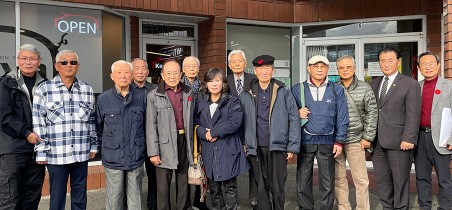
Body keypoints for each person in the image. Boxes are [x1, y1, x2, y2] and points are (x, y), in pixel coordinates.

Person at [33, 49, 98, 210]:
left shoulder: (87, 89)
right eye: (64, 62)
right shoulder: (44, 89)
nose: (69, 65)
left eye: (73, 62)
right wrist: (41, 150)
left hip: (81, 152)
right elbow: (39, 122)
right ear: (57, 66)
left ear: (78, 66)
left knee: (80, 195)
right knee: (57, 197)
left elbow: (91, 120)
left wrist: (94, 145)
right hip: (56, 154)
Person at [292, 55, 349, 210]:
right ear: (308, 68)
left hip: (328, 141)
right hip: (305, 141)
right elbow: (288, 114)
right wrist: (297, 113)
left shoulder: (337, 89)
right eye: (315, 66)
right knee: (303, 181)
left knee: (327, 182)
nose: (319, 69)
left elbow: (342, 116)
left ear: (327, 69)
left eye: (322, 66)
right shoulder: (297, 89)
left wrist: (339, 140)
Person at [246, 55, 300, 210]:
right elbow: (242, 120)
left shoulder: (283, 90)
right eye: (261, 68)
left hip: (278, 145)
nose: (264, 72)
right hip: (256, 146)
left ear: (273, 70)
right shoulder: (247, 92)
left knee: (277, 185)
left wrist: (292, 146)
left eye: (267, 68)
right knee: (261, 185)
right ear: (255, 71)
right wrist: (245, 143)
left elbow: (293, 118)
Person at [370, 47, 421, 209]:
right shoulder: (375, 83)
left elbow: (413, 114)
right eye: (382, 61)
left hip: (400, 142)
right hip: (377, 143)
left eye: (390, 60)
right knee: (382, 182)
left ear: (398, 62)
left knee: (400, 182)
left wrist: (409, 138)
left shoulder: (410, 84)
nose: (386, 64)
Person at [194, 68, 249, 210]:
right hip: (209, 150)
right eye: (210, 81)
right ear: (206, 84)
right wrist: (202, 132)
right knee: (214, 188)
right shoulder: (201, 101)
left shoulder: (232, 101)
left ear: (223, 83)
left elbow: (235, 122)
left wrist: (213, 132)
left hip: (228, 148)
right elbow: (195, 123)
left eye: (217, 80)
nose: (214, 84)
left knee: (229, 188)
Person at [0, 44, 46, 209]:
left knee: (32, 197)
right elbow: (4, 117)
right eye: (24, 58)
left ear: (39, 61)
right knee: (9, 199)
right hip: (13, 150)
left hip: (36, 151)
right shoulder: (6, 83)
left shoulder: (45, 85)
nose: (28, 62)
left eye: (32, 58)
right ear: (18, 60)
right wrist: (26, 133)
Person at [96, 60, 146, 210]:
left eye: (126, 73)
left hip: (135, 155)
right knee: (114, 198)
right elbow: (99, 127)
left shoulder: (141, 97)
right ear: (112, 76)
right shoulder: (103, 99)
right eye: (119, 73)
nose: (123, 76)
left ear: (131, 76)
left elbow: (146, 125)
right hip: (113, 156)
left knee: (135, 198)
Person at [146, 59, 194, 210]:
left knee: (183, 181)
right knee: (163, 185)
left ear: (181, 74)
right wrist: (153, 152)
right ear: (162, 75)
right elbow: (150, 126)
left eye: (175, 73)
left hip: (184, 140)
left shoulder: (189, 92)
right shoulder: (154, 95)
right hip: (164, 143)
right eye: (168, 73)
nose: (172, 76)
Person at [334, 55, 377, 210]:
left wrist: (367, 137)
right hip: (337, 140)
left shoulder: (365, 87)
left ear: (354, 68)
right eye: (341, 67)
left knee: (360, 179)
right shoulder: (333, 87)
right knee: (339, 178)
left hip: (356, 140)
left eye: (348, 67)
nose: (345, 70)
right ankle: (343, 207)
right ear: (337, 70)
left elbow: (372, 113)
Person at [415, 51, 452, 210]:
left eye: (431, 64)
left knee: (444, 179)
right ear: (419, 67)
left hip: (442, 139)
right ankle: (424, 206)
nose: (428, 67)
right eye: (424, 64)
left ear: (438, 66)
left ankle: (445, 207)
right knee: (422, 177)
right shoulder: (416, 87)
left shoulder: (449, 86)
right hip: (420, 138)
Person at [226, 49, 258, 209]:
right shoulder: (225, 81)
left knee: (254, 165)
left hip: (251, 129)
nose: (237, 64)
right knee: (231, 166)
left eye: (240, 61)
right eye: (233, 61)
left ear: (245, 63)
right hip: (232, 131)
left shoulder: (255, 80)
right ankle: (233, 202)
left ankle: (254, 197)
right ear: (229, 65)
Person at [180, 56, 208, 210]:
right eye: (188, 66)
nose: (191, 68)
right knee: (184, 167)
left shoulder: (205, 86)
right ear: (183, 69)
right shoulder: (178, 85)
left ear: (198, 68)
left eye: (194, 66)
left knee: (202, 167)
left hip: (201, 130)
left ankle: (200, 201)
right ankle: (184, 203)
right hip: (184, 132)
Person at [131, 58, 158, 210]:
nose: (140, 71)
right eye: (137, 68)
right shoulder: (126, 88)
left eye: (143, 68)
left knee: (154, 177)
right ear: (132, 71)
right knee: (133, 177)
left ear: (148, 72)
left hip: (151, 140)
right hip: (133, 140)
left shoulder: (156, 89)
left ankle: (152, 206)